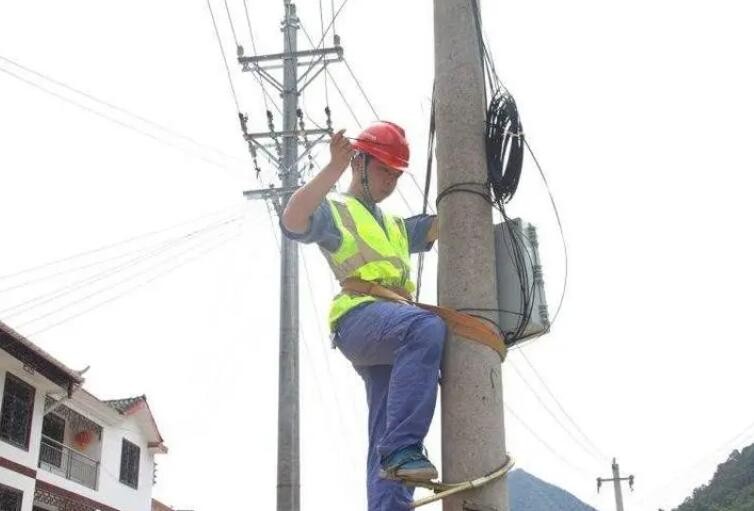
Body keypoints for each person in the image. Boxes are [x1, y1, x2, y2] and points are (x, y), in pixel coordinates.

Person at [280, 121, 445, 511]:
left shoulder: (394, 226)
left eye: (396, 173)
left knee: (385, 428)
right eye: (383, 168)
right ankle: (403, 450)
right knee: (427, 330)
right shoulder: (335, 211)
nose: (390, 180)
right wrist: (332, 169)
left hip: (392, 331)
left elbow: (445, 223)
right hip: (359, 320)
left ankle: (390, 500)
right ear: (360, 162)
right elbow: (293, 219)